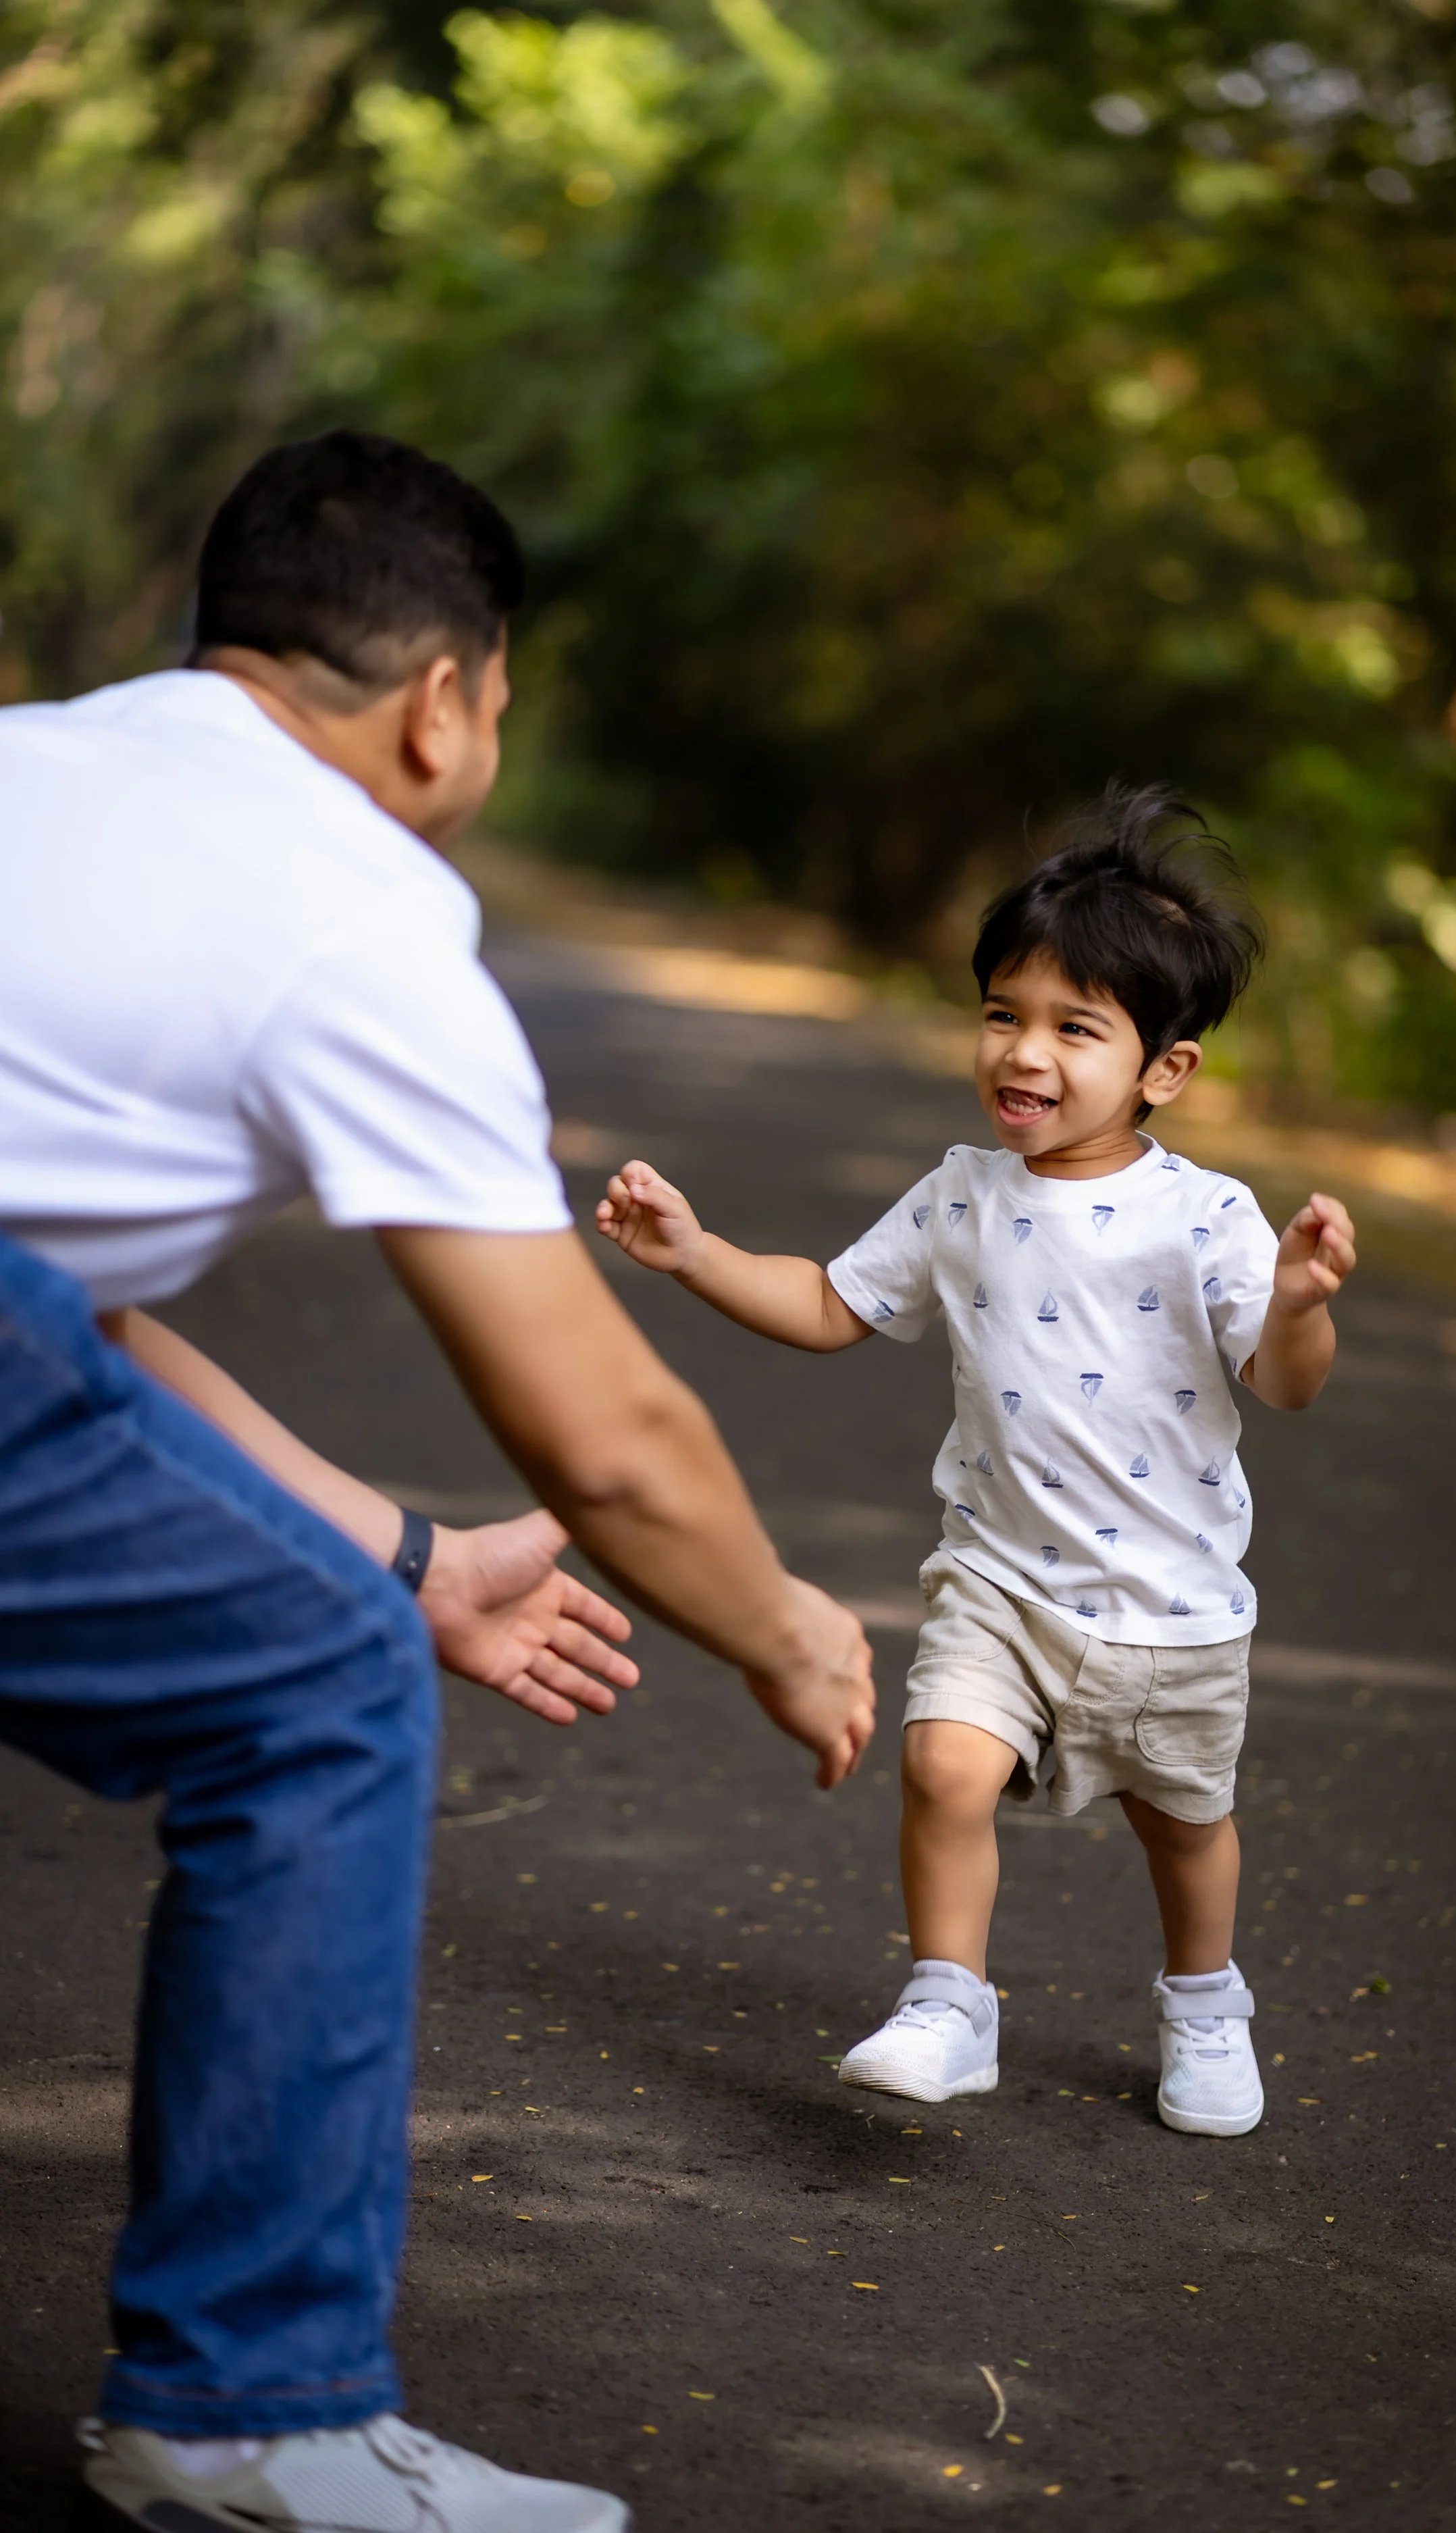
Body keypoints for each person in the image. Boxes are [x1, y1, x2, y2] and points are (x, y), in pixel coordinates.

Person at [0, 430, 874, 2533]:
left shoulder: (47, 761)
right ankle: (249, 2404)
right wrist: (787, 1623)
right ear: (448, 699)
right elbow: (609, 1434)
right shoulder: (359, 907)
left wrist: (390, 1552)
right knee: (321, 1700)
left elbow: (73, 1332)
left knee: (325, 1632)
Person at [596, 783, 1356, 2136]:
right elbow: (831, 1307)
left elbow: (1284, 1386)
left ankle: (1202, 2003)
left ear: (1162, 1069)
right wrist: (695, 1252)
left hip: (1169, 1609)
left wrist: (1297, 1302)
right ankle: (949, 2006)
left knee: (1181, 1827)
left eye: (1076, 1028)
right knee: (944, 1766)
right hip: (997, 1581)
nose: (1022, 1052)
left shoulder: (1207, 1219)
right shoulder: (960, 1191)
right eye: (1002, 1013)